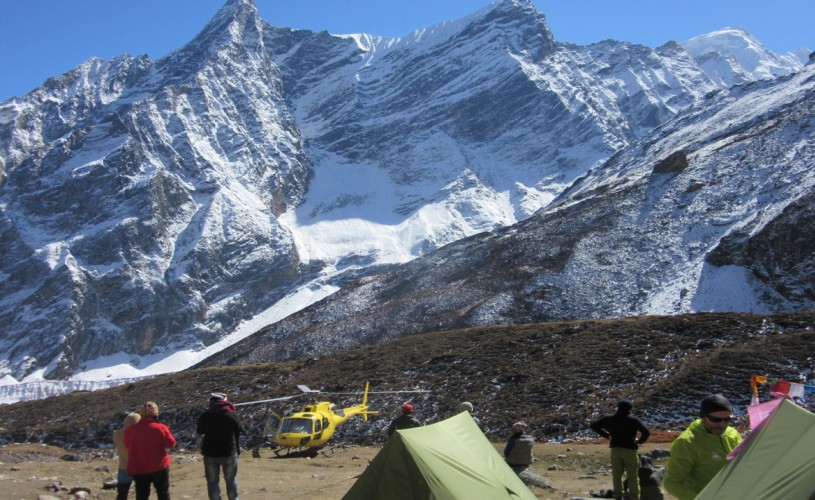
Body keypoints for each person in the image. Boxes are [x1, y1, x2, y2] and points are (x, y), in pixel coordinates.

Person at [663, 394, 743, 500]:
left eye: (727, 419)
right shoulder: (687, 442)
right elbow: (672, 482)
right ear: (703, 417)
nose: (722, 424)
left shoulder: (733, 434)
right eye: (716, 420)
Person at [590, 400, 650, 500]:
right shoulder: (633, 420)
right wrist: (639, 442)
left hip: (615, 449)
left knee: (617, 474)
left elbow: (594, 426)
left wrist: (606, 435)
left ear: (618, 407)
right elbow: (646, 432)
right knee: (633, 475)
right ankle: (634, 496)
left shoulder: (610, 419)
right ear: (630, 409)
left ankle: (618, 495)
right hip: (630, 449)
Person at [124, 401, 177, 500]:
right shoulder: (161, 428)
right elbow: (171, 443)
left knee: (141, 495)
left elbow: (127, 444)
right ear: (156, 414)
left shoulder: (131, 430)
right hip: (159, 466)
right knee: (163, 493)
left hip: (138, 468)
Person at [197, 393, 242, 500]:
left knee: (212, 482)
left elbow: (199, 431)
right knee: (231, 480)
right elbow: (239, 430)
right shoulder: (232, 414)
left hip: (210, 453)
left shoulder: (205, 415)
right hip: (228, 452)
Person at [112, 412, 141, 500]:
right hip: (139, 467)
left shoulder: (117, 434)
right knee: (141, 492)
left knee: (122, 492)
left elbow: (116, 444)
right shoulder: (141, 434)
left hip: (124, 466)